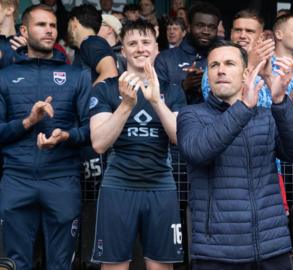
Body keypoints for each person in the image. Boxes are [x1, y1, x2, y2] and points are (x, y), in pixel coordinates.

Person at [177, 40, 293, 269]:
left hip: (271, 249)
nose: (221, 70)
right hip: (217, 253)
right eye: (214, 65)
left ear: (246, 73)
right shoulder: (191, 115)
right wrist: (244, 107)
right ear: (207, 75)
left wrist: (280, 101)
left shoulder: (266, 115)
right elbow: (199, 152)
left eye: (229, 63)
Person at [0, 4, 91, 269]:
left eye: (52, 25)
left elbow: (91, 132)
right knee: (15, 264)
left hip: (63, 178)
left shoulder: (78, 75)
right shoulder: (4, 77)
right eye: (41, 25)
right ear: (24, 30)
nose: (49, 30)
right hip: (16, 178)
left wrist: (66, 136)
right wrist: (28, 122)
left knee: (61, 265)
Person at [89, 20, 185, 270]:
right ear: (123, 51)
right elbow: (99, 143)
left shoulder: (173, 91)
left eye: (146, 42)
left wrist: (155, 100)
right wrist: (126, 105)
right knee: (114, 266)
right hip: (118, 187)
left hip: (161, 187)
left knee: (161, 266)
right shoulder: (105, 90)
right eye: (132, 43)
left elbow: (178, 138)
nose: (140, 48)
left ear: (156, 48)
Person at [154, 1, 220, 104]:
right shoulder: (165, 58)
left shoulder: (224, 59)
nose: (206, 31)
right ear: (189, 26)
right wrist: (183, 86)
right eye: (200, 25)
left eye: (212, 27)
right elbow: (156, 98)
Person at [68, 4, 118, 85]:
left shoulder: (91, 42)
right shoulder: (88, 44)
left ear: (74, 21)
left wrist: (86, 96)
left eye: (68, 24)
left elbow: (110, 73)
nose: (67, 29)